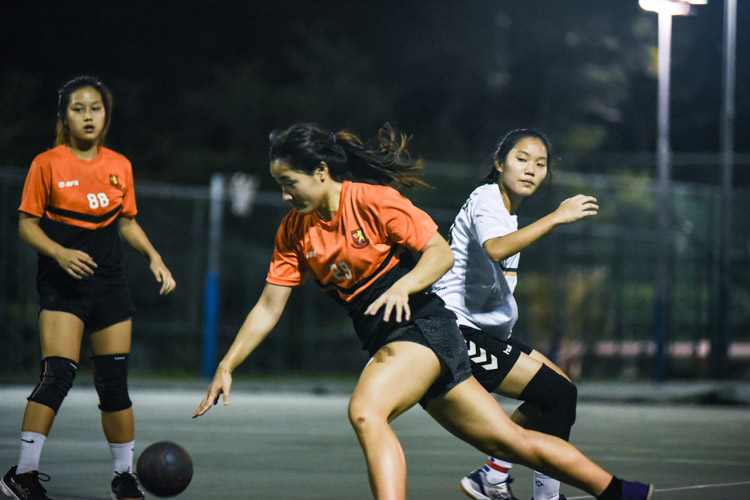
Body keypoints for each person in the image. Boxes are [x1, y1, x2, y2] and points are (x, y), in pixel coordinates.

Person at [192, 122, 654, 500]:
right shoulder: (294, 231)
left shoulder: (371, 201)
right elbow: (270, 305)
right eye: (279, 186)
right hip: (401, 340)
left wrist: (404, 287)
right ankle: (619, 492)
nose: (284, 195)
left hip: (421, 328)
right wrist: (228, 364)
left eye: (288, 183)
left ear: (319, 172)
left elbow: (440, 254)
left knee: (366, 412)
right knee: (509, 443)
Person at [1, 76, 176, 500]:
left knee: (114, 383)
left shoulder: (120, 166)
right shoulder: (48, 163)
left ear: (106, 114)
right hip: (63, 287)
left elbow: (126, 221)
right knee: (58, 374)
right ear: (65, 116)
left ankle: (124, 478)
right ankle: (21, 476)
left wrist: (154, 257)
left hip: (110, 287)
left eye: (95, 108)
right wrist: (59, 253)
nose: (88, 116)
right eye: (78, 108)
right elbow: (27, 224)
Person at [433, 129, 597, 500]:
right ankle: (534, 492)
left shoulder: (509, 214)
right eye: (521, 159)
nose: (531, 170)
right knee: (556, 394)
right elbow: (494, 249)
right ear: (499, 163)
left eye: (540, 164)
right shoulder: (487, 200)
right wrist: (556, 216)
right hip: (454, 330)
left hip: (484, 333)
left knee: (561, 393)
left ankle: (493, 474)